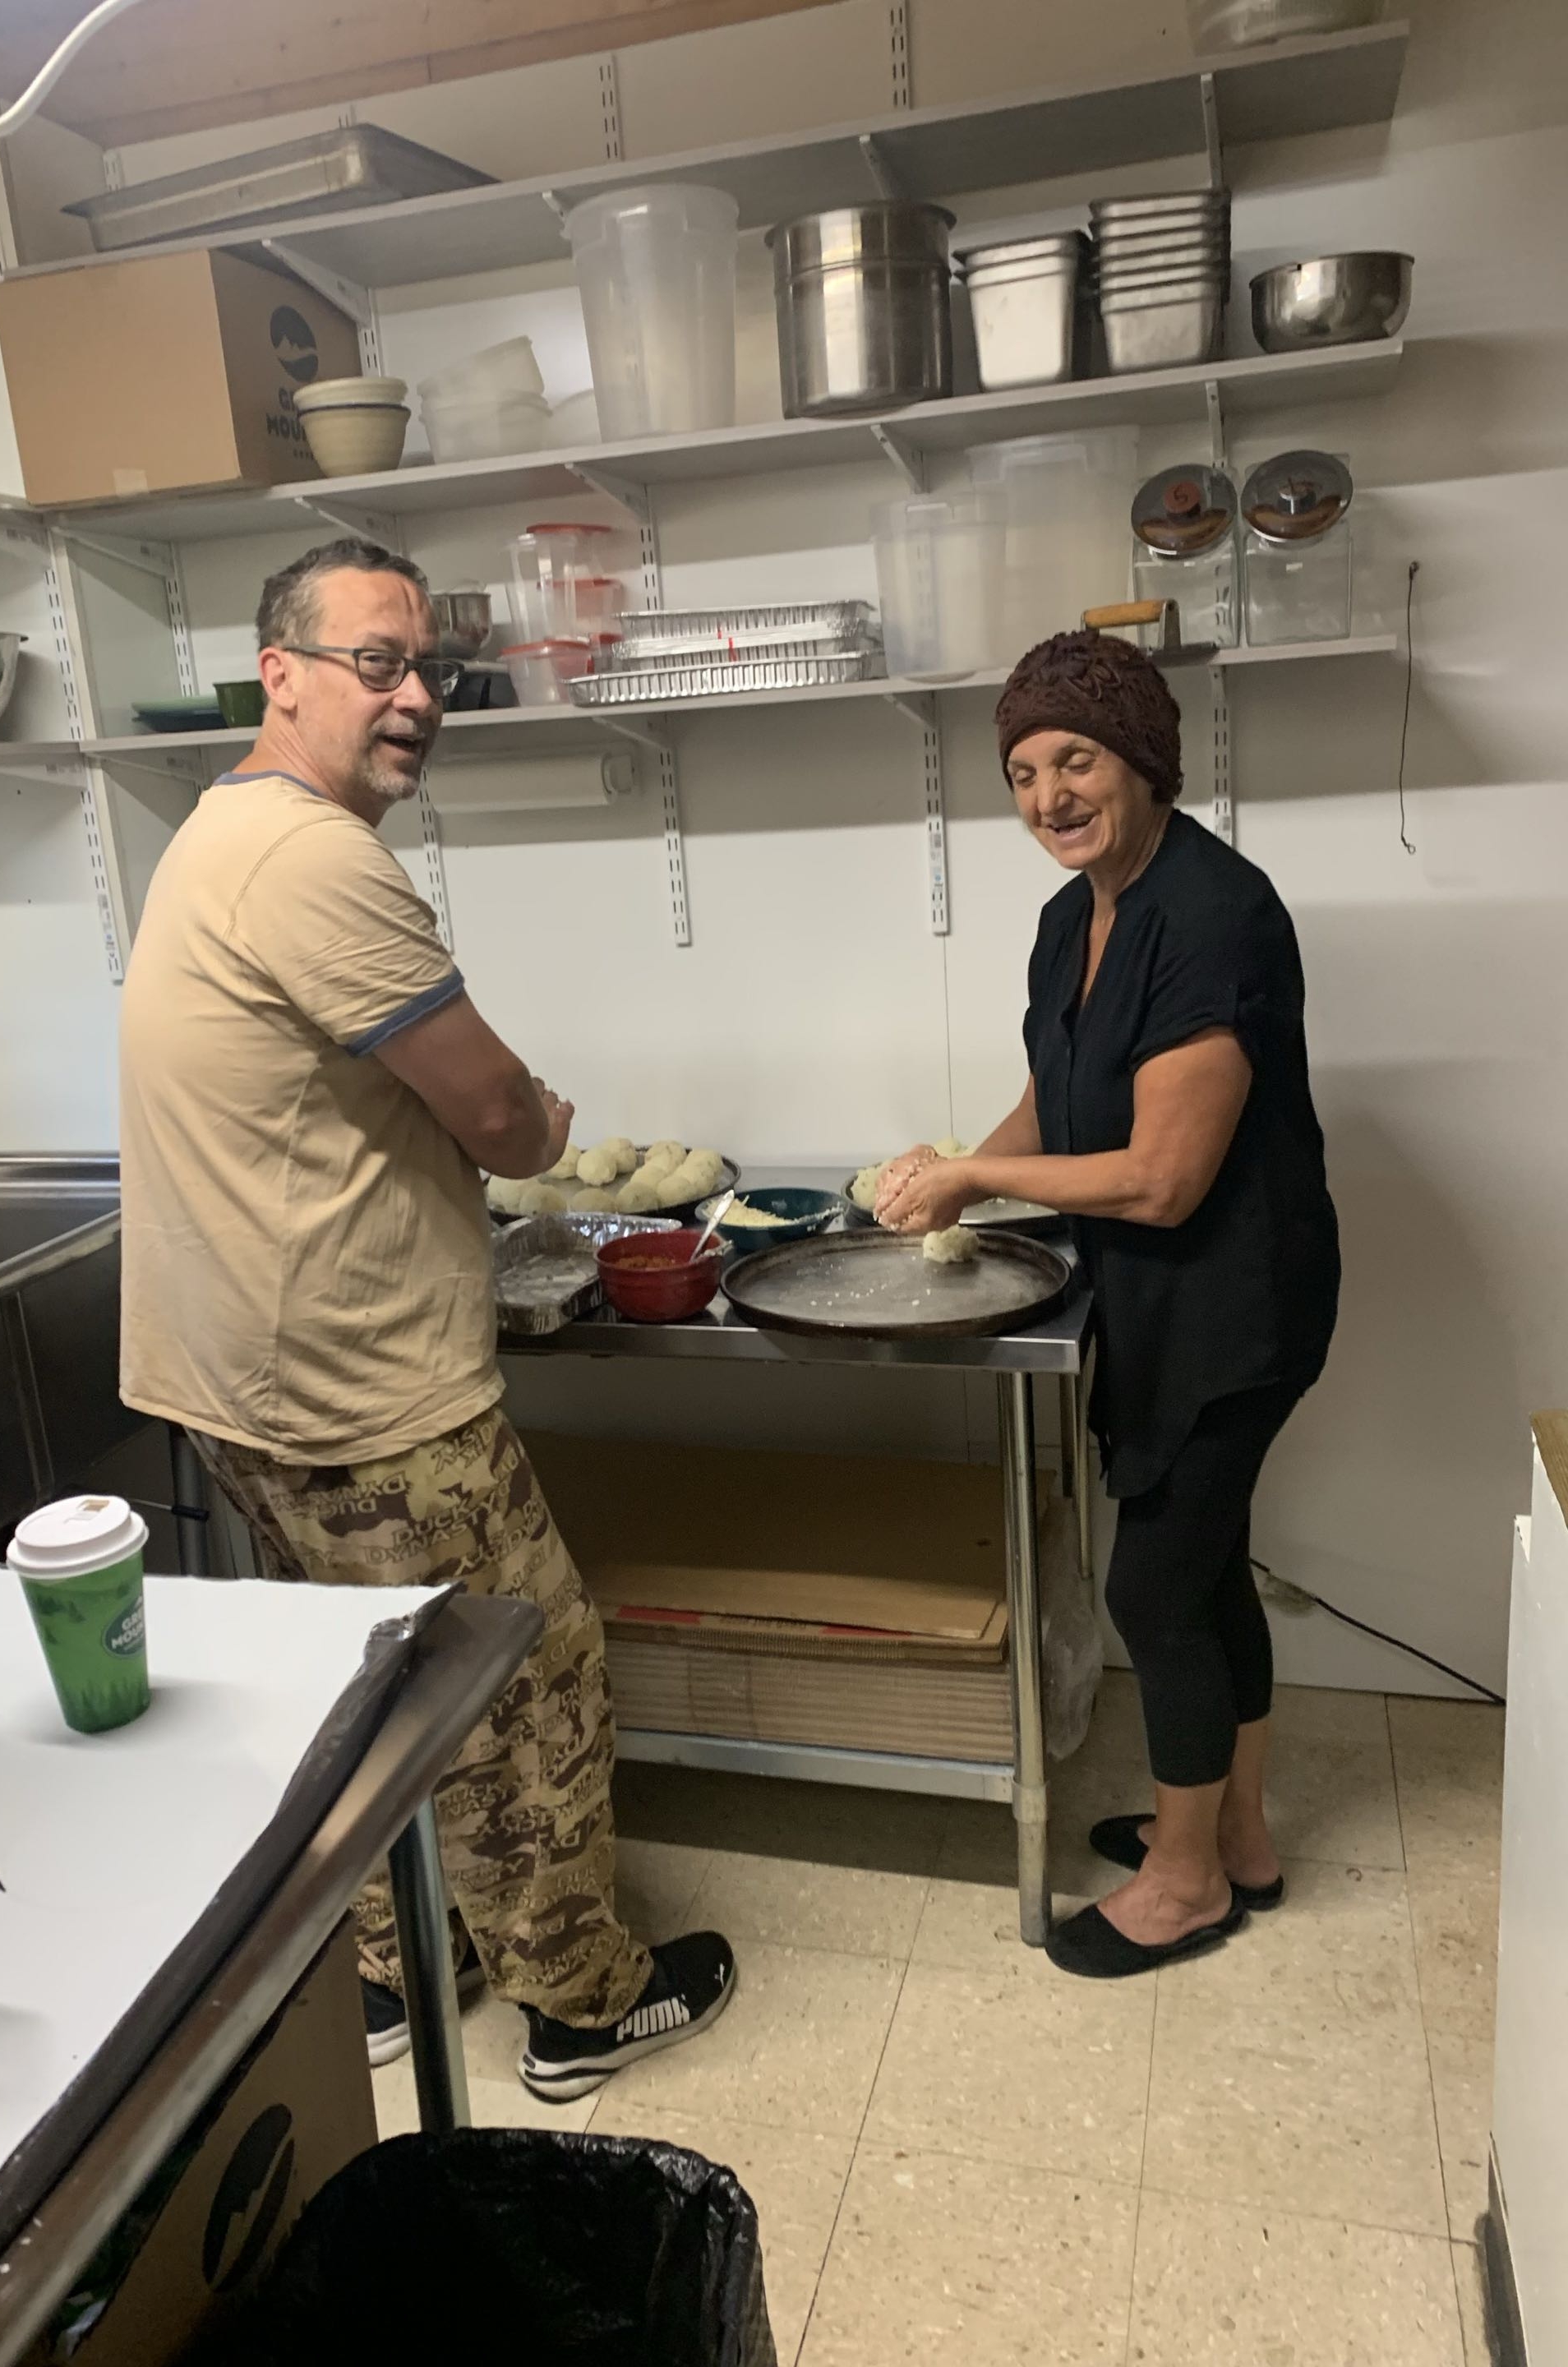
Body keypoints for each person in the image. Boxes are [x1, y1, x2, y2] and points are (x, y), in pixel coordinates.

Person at [118, 537, 734, 2093]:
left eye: (427, 671)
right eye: (373, 664)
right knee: (526, 1678)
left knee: (370, 1684)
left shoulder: (214, 836)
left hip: (232, 1381)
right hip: (352, 1387)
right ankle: (582, 2008)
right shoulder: (319, 861)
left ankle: (398, 1966)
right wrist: (533, 1124)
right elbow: (502, 1118)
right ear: (281, 675)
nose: (412, 699)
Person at [876, 630, 1339, 1979]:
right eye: (1021, 772)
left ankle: (1188, 1883)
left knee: (1156, 1584)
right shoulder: (1070, 919)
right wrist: (963, 1175)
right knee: (1206, 1567)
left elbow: (1164, 1174)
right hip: (1149, 1298)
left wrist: (978, 1173)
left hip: (1237, 1305)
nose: (1046, 797)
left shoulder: (1213, 912)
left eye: (1074, 761)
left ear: (1142, 762)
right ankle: (1238, 1836)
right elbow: (1061, 1098)